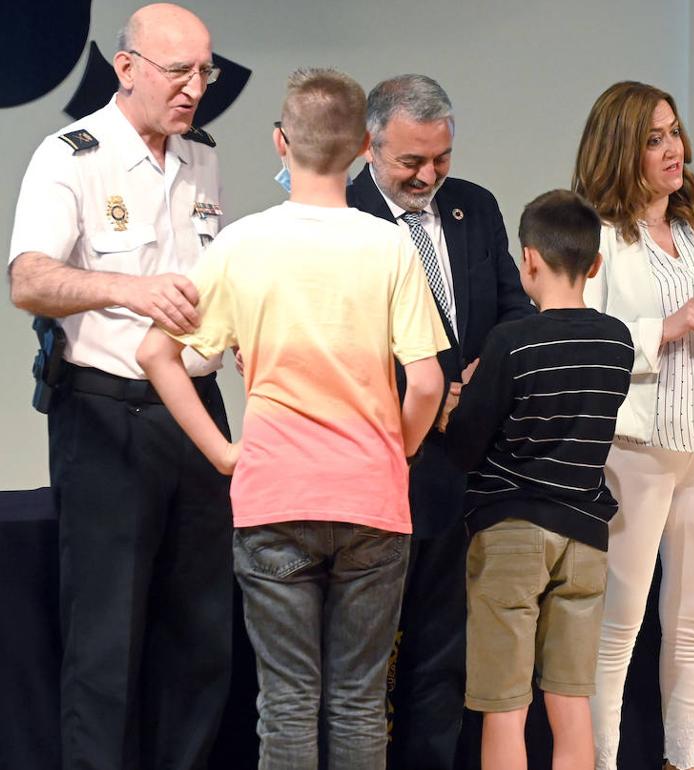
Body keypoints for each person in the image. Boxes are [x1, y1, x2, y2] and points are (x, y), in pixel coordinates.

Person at [136, 67, 447, 767]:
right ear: (366, 149)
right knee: (361, 702)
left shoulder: (241, 245)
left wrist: (222, 452)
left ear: (281, 142)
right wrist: (391, 451)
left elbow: (156, 354)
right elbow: (425, 382)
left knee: (285, 704)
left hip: (275, 496)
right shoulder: (390, 245)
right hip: (370, 498)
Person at [7, 5, 230, 767]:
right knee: (106, 642)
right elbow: (28, 280)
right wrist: (129, 292)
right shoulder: (70, 155)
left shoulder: (202, 157)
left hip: (196, 414)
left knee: (199, 637)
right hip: (109, 416)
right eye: (180, 72)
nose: (195, 88)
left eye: (205, 72)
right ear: (126, 67)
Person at [347, 73, 535, 769]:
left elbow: (515, 313)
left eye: (442, 158)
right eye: (412, 162)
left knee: (443, 656)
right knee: (363, 664)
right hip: (382, 464)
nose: (430, 175)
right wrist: (419, 393)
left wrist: (479, 381)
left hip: (465, 468)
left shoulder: (474, 208)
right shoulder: (340, 214)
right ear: (371, 145)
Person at [572, 80, 694, 770]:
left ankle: (684, 763)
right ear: (622, 149)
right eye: (653, 138)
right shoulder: (598, 235)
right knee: (617, 627)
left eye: (674, 132)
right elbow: (585, 337)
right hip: (638, 446)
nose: (672, 149)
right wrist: (664, 329)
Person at [442, 189, 633, 770]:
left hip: (511, 535)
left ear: (528, 259)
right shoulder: (617, 341)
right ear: (595, 264)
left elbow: (467, 445)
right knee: (571, 699)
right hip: (586, 538)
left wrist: (454, 405)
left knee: (504, 705)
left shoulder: (511, 342)